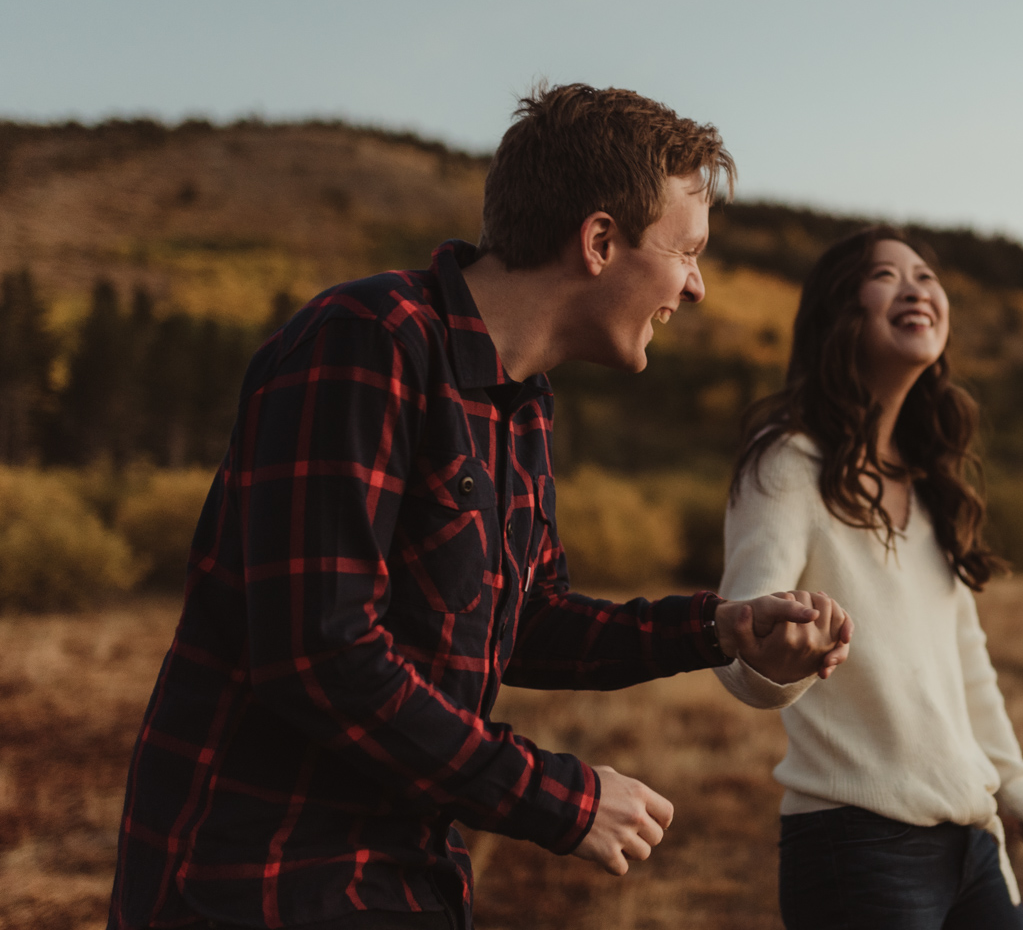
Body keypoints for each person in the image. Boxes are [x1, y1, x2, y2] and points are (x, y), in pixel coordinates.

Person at [107, 84, 852, 930]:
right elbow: (320, 652)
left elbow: (526, 621)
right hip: (263, 878)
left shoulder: (522, 404)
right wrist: (562, 800)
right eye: (687, 253)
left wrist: (719, 629)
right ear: (601, 240)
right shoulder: (370, 338)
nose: (698, 289)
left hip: (406, 873)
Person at [715, 226, 1023, 930]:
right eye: (886, 275)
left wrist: (1016, 785)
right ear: (839, 312)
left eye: (927, 276)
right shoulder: (788, 463)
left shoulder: (930, 483)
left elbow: (966, 663)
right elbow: (736, 635)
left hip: (972, 837)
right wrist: (774, 662)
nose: (917, 286)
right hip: (858, 846)